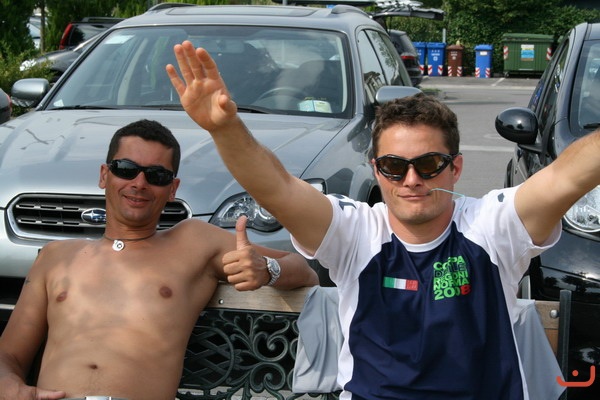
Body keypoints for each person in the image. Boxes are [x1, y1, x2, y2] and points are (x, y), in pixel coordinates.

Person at [166, 40, 600, 399]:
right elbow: (277, 187)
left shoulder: (492, 225)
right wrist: (225, 129)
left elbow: (567, 175)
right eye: (394, 166)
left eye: (429, 164)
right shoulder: (355, 231)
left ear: (456, 167)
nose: (411, 180)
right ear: (376, 170)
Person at [0, 119, 318, 400]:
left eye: (157, 175)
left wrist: (268, 269)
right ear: (104, 175)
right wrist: (8, 385)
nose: (139, 183)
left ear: (172, 189)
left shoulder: (193, 243)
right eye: (126, 169)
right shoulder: (56, 257)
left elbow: (304, 270)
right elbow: (8, 356)